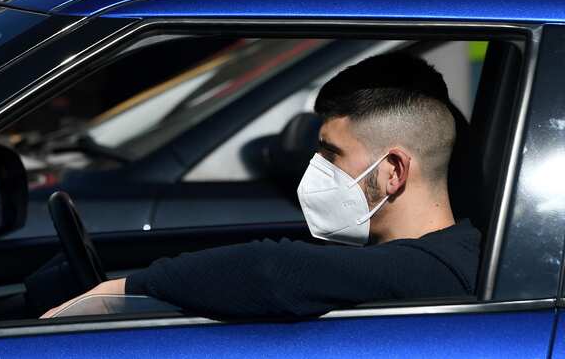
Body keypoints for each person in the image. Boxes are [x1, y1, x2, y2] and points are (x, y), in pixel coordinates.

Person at [44, 53, 480, 320]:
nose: (317, 168)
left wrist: (122, 291)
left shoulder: (447, 268)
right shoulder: (415, 257)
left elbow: (271, 270)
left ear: (394, 172)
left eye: (331, 154)